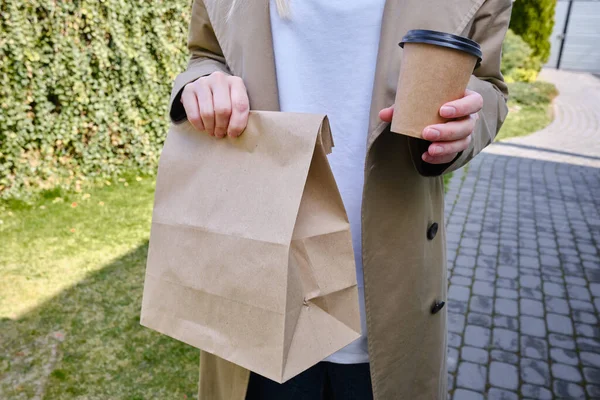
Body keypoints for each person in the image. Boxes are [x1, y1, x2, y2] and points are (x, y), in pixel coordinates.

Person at [168, 0, 512, 399]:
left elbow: (488, 84)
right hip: (259, 292)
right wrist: (204, 82)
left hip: (389, 300)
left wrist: (466, 119)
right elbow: (206, 54)